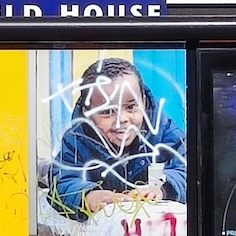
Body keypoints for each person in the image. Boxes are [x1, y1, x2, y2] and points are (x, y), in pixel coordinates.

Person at [48, 57, 186, 219]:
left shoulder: (163, 131)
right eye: (106, 111)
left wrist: (163, 188)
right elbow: (62, 181)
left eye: (131, 107)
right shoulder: (77, 140)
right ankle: (42, 169)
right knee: (48, 173)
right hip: (107, 228)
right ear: (88, 112)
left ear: (143, 101)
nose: (121, 119)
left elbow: (188, 169)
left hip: (152, 227)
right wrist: (87, 196)